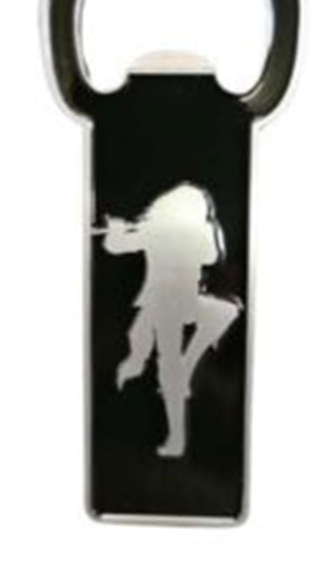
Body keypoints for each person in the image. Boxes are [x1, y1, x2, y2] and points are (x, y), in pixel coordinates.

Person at [102, 183, 241, 457]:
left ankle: (189, 364)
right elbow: (116, 246)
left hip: (186, 300)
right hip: (163, 305)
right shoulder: (158, 232)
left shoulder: (190, 233)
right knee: (169, 370)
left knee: (228, 311)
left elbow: (214, 255)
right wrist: (116, 230)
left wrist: (209, 225)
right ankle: (176, 438)